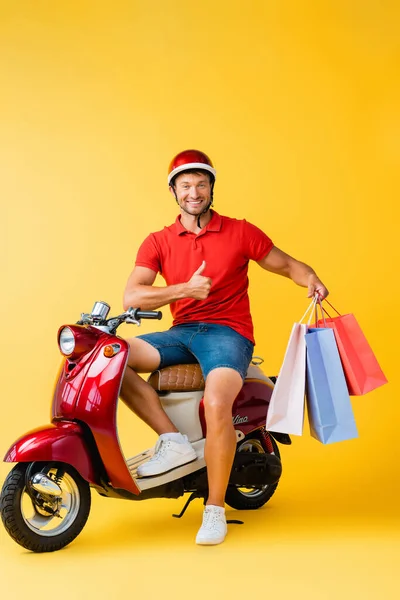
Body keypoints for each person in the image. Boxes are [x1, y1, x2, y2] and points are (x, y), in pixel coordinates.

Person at [121, 149, 328, 546]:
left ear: (211, 188)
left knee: (217, 403)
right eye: (185, 186)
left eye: (201, 184)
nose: (193, 192)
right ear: (174, 192)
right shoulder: (158, 241)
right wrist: (184, 290)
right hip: (182, 331)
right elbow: (132, 295)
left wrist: (311, 277)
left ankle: (214, 509)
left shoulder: (239, 231)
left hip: (229, 332)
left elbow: (285, 264)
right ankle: (174, 442)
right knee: (111, 357)